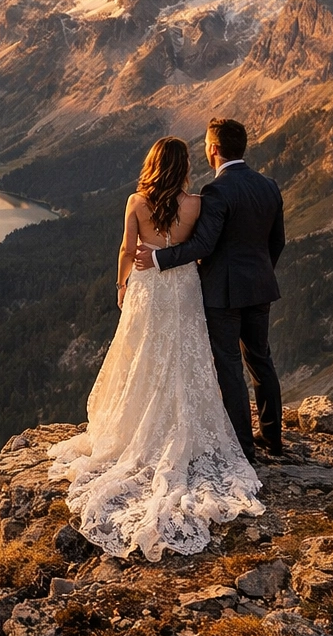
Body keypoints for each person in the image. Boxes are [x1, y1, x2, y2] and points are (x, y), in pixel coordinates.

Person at [48, 136, 263, 561]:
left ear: (151, 164)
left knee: (143, 356)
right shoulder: (197, 204)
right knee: (185, 357)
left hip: (148, 287)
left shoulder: (136, 202)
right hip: (183, 288)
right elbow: (200, 250)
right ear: (184, 166)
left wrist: (121, 283)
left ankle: (137, 427)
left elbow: (128, 249)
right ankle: (186, 426)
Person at [134, 118, 286, 461]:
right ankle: (273, 437)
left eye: (206, 144)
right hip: (261, 288)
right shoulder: (269, 185)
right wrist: (260, 275)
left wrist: (159, 258)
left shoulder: (217, 191)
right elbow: (277, 242)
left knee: (229, 365)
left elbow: (203, 245)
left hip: (223, 293)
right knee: (261, 361)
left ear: (214, 149)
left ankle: (243, 447)